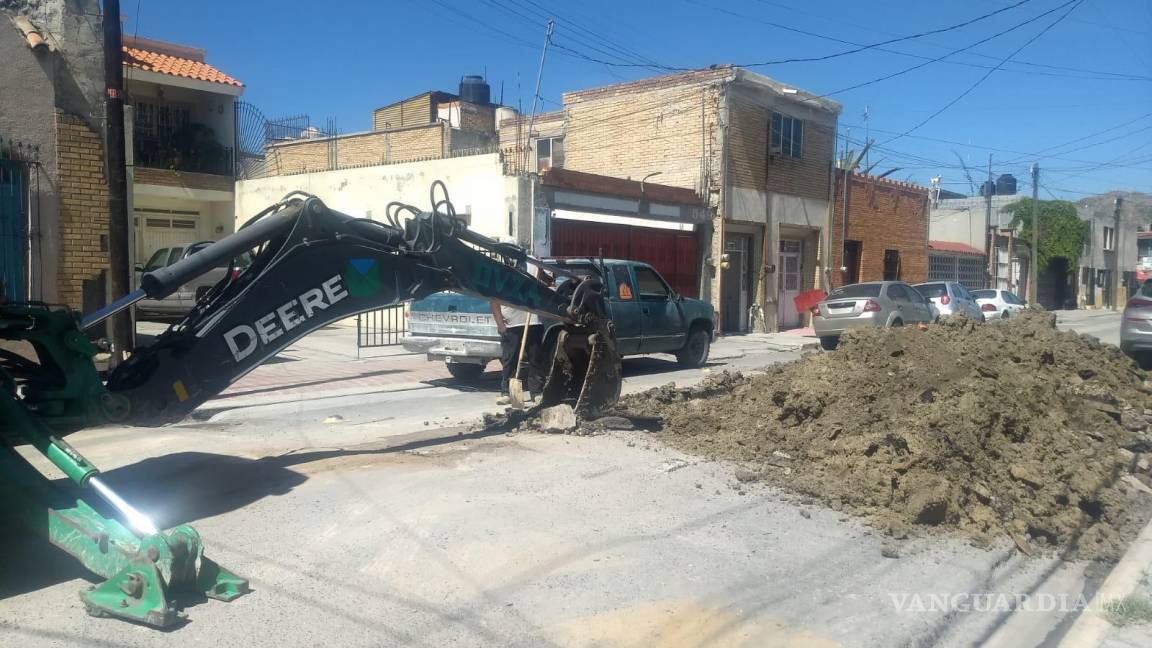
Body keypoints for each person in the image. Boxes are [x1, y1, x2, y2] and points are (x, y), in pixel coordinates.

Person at [491, 301, 543, 405]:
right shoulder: (504, 285)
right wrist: (500, 324)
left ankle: (536, 393)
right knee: (509, 360)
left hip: (533, 323)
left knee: (535, 359)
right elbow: (494, 302)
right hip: (511, 326)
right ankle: (507, 393)